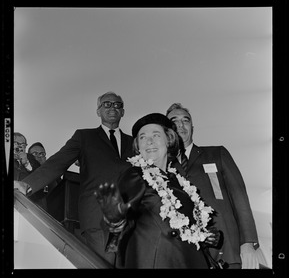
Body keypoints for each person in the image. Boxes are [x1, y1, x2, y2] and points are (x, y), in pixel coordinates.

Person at [14, 91, 134, 267]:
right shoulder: (84, 137)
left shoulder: (136, 142)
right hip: (97, 218)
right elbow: (58, 162)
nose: (112, 108)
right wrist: (27, 184)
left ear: (123, 112)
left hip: (132, 219)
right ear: (98, 111)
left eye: (117, 105)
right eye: (106, 104)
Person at [94, 113, 221, 269]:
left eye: (156, 135)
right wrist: (115, 219)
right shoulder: (134, 174)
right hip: (156, 259)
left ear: (168, 140)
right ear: (138, 147)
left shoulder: (179, 181)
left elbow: (184, 227)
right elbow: (119, 219)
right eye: (142, 137)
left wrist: (205, 235)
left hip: (188, 260)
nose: (149, 141)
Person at [166, 102, 260, 269]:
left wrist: (248, 243)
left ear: (192, 127)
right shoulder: (162, 166)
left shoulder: (217, 154)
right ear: (167, 130)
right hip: (184, 255)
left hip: (227, 249)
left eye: (185, 120)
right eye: (174, 121)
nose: (180, 125)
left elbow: (240, 199)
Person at [28, 142, 62, 210]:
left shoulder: (54, 176)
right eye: (35, 153)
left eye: (42, 154)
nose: (38, 156)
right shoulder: (24, 173)